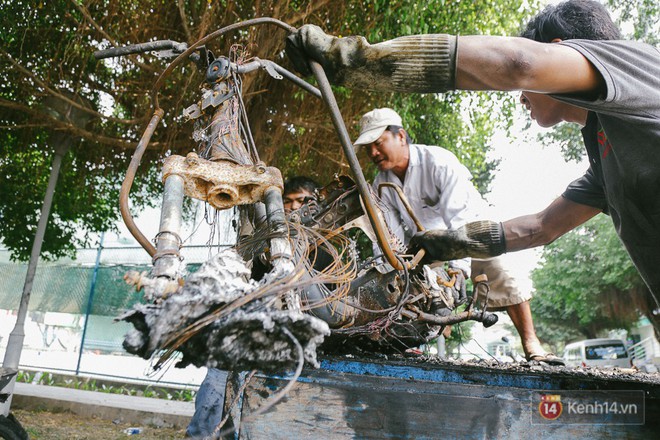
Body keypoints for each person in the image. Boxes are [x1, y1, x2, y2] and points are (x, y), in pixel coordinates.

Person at [285, 1, 660, 319]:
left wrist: (351, 61)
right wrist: (451, 244)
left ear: (561, 53)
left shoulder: (639, 65)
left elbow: (518, 64)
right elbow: (541, 228)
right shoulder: (604, 159)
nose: (520, 95)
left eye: (527, 85)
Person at [356, 107, 561, 364]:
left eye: (378, 143)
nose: (373, 153)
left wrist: (460, 270)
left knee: (501, 266)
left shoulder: (438, 161)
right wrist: (391, 272)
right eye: (368, 148)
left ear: (401, 136)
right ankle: (400, 345)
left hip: (467, 233)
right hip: (424, 248)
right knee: (397, 284)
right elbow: (388, 238)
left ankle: (531, 342)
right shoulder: (381, 185)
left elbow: (460, 219)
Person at [187, 177, 321, 438]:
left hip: (301, 337)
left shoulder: (326, 247)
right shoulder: (267, 241)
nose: (294, 208)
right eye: (288, 202)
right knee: (218, 375)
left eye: (302, 201)